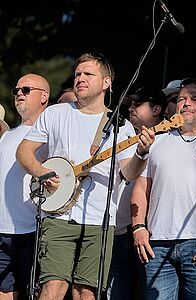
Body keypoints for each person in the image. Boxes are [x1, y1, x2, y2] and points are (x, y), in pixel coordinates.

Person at [16, 52, 155, 300]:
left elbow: (128, 172)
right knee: (53, 287)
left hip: (100, 220)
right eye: (78, 73)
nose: (80, 78)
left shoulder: (118, 123)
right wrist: (41, 171)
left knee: (86, 292)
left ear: (106, 82)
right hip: (58, 213)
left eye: (88, 74)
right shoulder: (56, 113)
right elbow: (24, 151)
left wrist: (142, 153)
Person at [131, 77, 196, 299]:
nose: (186, 103)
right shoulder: (156, 141)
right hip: (157, 244)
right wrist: (138, 227)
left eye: (195, 98)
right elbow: (141, 188)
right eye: (181, 99)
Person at [107, 86, 167, 300]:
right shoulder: (121, 134)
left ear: (157, 109)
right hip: (120, 233)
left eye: (137, 104)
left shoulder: (169, 141)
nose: (131, 107)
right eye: (130, 103)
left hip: (152, 236)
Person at [0, 73, 50, 300]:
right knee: (4, 291)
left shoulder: (50, 135)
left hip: (33, 230)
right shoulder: (6, 135)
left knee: (35, 293)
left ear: (44, 96)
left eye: (26, 90)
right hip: (2, 230)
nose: (19, 93)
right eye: (17, 90)